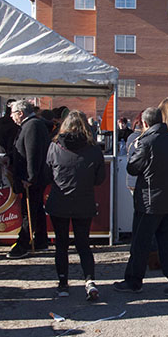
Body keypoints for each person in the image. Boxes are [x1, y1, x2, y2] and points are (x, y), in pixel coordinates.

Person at [114, 107, 168, 297]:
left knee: (141, 243)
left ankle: (134, 281)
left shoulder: (146, 142)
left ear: (145, 124)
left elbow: (132, 168)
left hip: (149, 201)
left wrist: (135, 150)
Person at [45, 111, 106, 300]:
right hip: (84, 199)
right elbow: (100, 178)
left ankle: (63, 283)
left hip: (59, 199)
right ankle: (89, 281)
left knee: (61, 244)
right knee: (83, 243)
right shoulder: (94, 149)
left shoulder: (55, 146)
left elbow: (48, 172)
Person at [7, 100, 50, 259]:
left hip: (32, 178)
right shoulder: (30, 125)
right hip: (32, 176)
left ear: (20, 113)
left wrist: (29, 177)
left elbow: (33, 153)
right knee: (36, 208)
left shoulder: (32, 125)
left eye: (13, 113)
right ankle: (41, 240)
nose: (11, 117)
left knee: (29, 210)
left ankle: (24, 242)